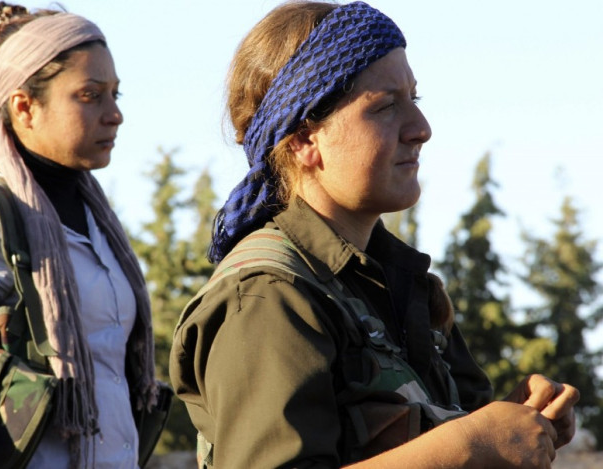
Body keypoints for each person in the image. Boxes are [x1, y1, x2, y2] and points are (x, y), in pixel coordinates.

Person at [169, 1, 580, 468]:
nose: (421, 129)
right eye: (385, 106)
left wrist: (513, 426)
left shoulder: (401, 287)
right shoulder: (269, 297)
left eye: (415, 100)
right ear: (305, 140)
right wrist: (469, 446)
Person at [0, 3, 157, 468]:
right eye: (90, 95)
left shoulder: (100, 222)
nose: (114, 114)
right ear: (24, 107)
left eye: (116, 94)